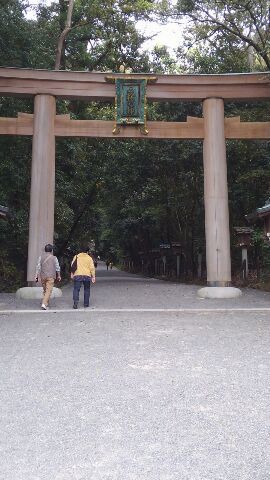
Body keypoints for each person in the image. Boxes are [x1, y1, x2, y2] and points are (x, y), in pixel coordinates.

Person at [36, 244, 61, 310]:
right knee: (48, 291)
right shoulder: (54, 258)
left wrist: (36, 276)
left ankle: (46, 304)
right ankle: (44, 304)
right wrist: (59, 275)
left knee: (45, 290)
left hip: (43, 276)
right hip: (51, 276)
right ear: (51, 250)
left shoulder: (41, 257)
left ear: (45, 250)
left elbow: (38, 267)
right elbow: (57, 267)